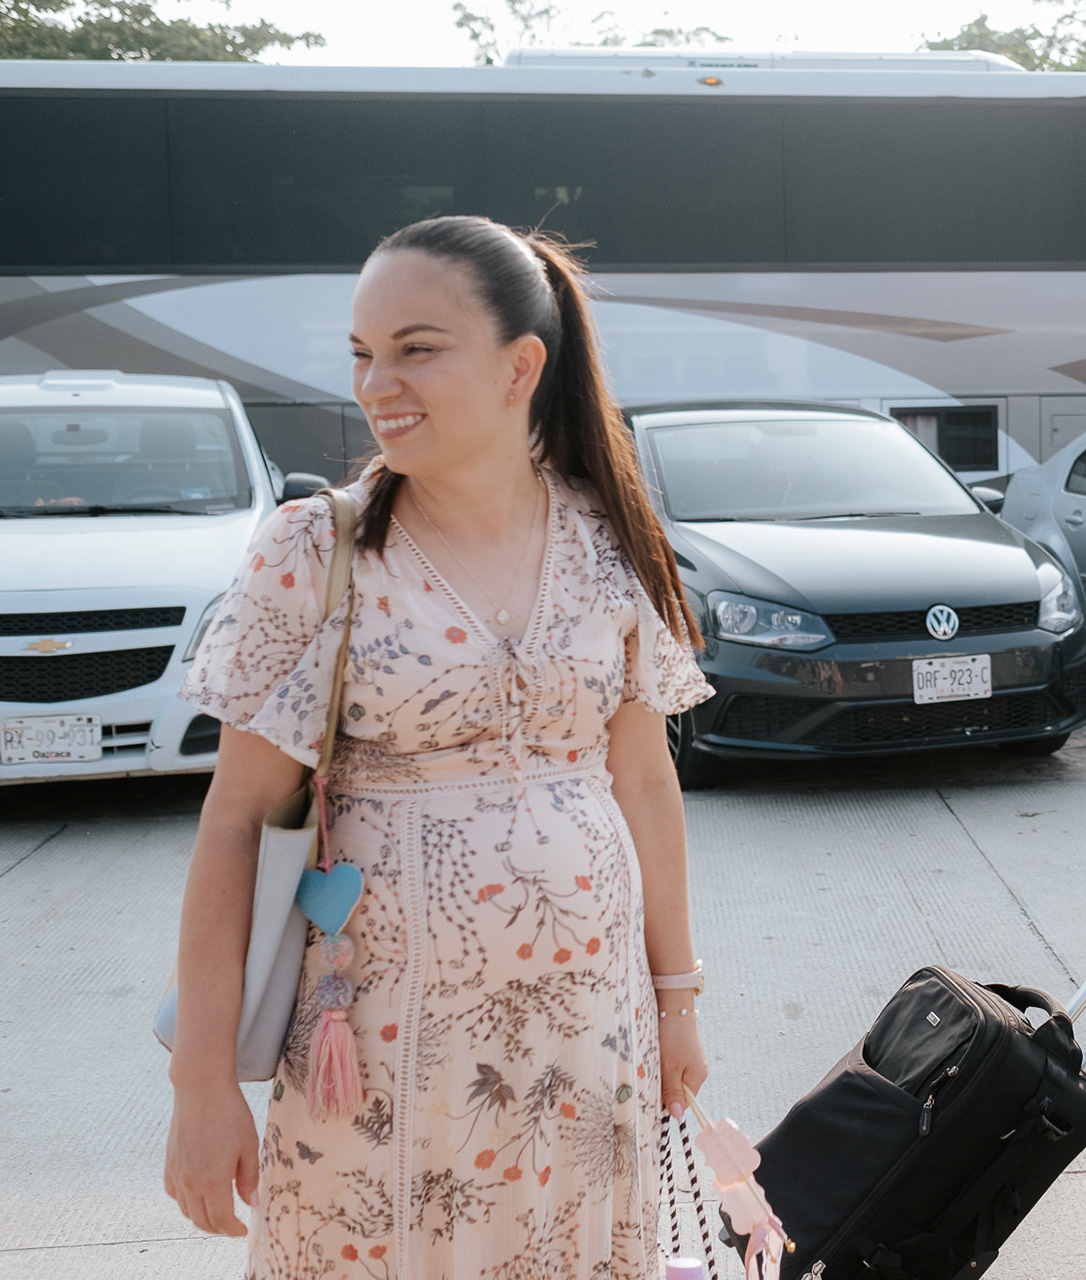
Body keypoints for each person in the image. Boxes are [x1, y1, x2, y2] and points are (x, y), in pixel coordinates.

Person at [162, 215, 715, 1277]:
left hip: (588, 1040)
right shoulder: (313, 548)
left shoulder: (610, 540)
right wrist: (200, 1083)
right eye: (363, 354)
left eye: (416, 349)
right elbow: (235, 822)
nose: (379, 384)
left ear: (521, 367)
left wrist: (676, 1001)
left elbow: (645, 784)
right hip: (378, 1056)